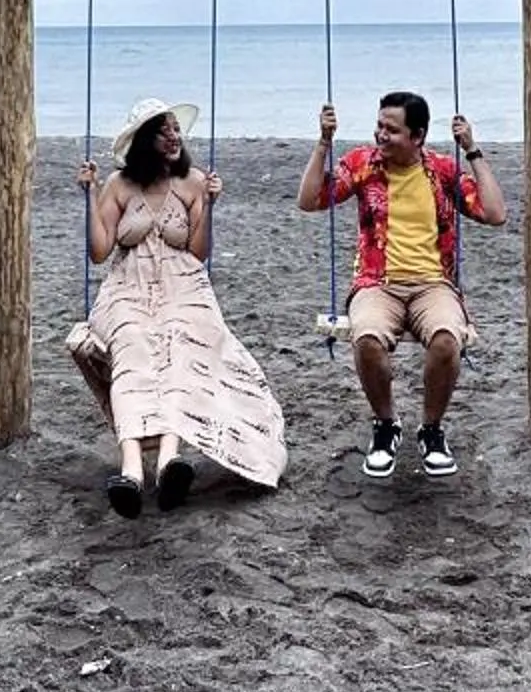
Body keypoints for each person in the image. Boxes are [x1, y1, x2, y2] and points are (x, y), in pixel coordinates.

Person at [69, 97, 288, 517]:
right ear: (142, 141)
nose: (174, 137)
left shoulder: (192, 181)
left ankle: (169, 460)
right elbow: (99, 253)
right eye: (163, 130)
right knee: (132, 351)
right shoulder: (119, 185)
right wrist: (91, 195)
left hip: (184, 284)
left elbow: (199, 251)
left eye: (175, 128)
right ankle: (132, 471)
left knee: (179, 350)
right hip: (128, 286)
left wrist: (210, 206)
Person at [297, 89, 505, 479]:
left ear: (418, 136)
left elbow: (495, 213)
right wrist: (323, 144)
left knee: (447, 338)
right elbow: (309, 201)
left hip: (433, 284)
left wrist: (472, 150)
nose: (381, 135)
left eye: (391, 130)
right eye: (379, 126)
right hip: (377, 283)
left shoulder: (442, 171)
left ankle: (431, 430)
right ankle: (386, 424)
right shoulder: (362, 164)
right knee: (368, 339)